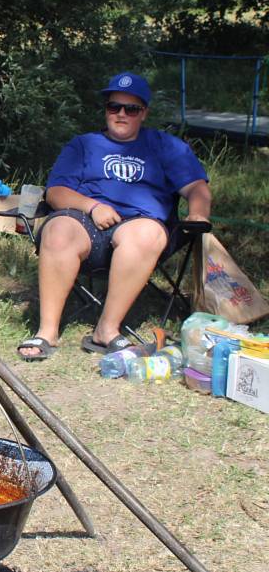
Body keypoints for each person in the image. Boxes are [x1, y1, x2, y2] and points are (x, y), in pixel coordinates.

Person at [17, 71, 212, 361]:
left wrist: (198, 213)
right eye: (114, 107)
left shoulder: (166, 146)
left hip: (142, 226)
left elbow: (197, 187)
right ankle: (47, 331)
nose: (121, 114)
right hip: (86, 224)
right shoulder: (84, 145)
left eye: (131, 109)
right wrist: (93, 207)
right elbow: (56, 191)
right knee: (58, 230)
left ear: (143, 113)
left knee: (144, 234)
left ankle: (106, 330)